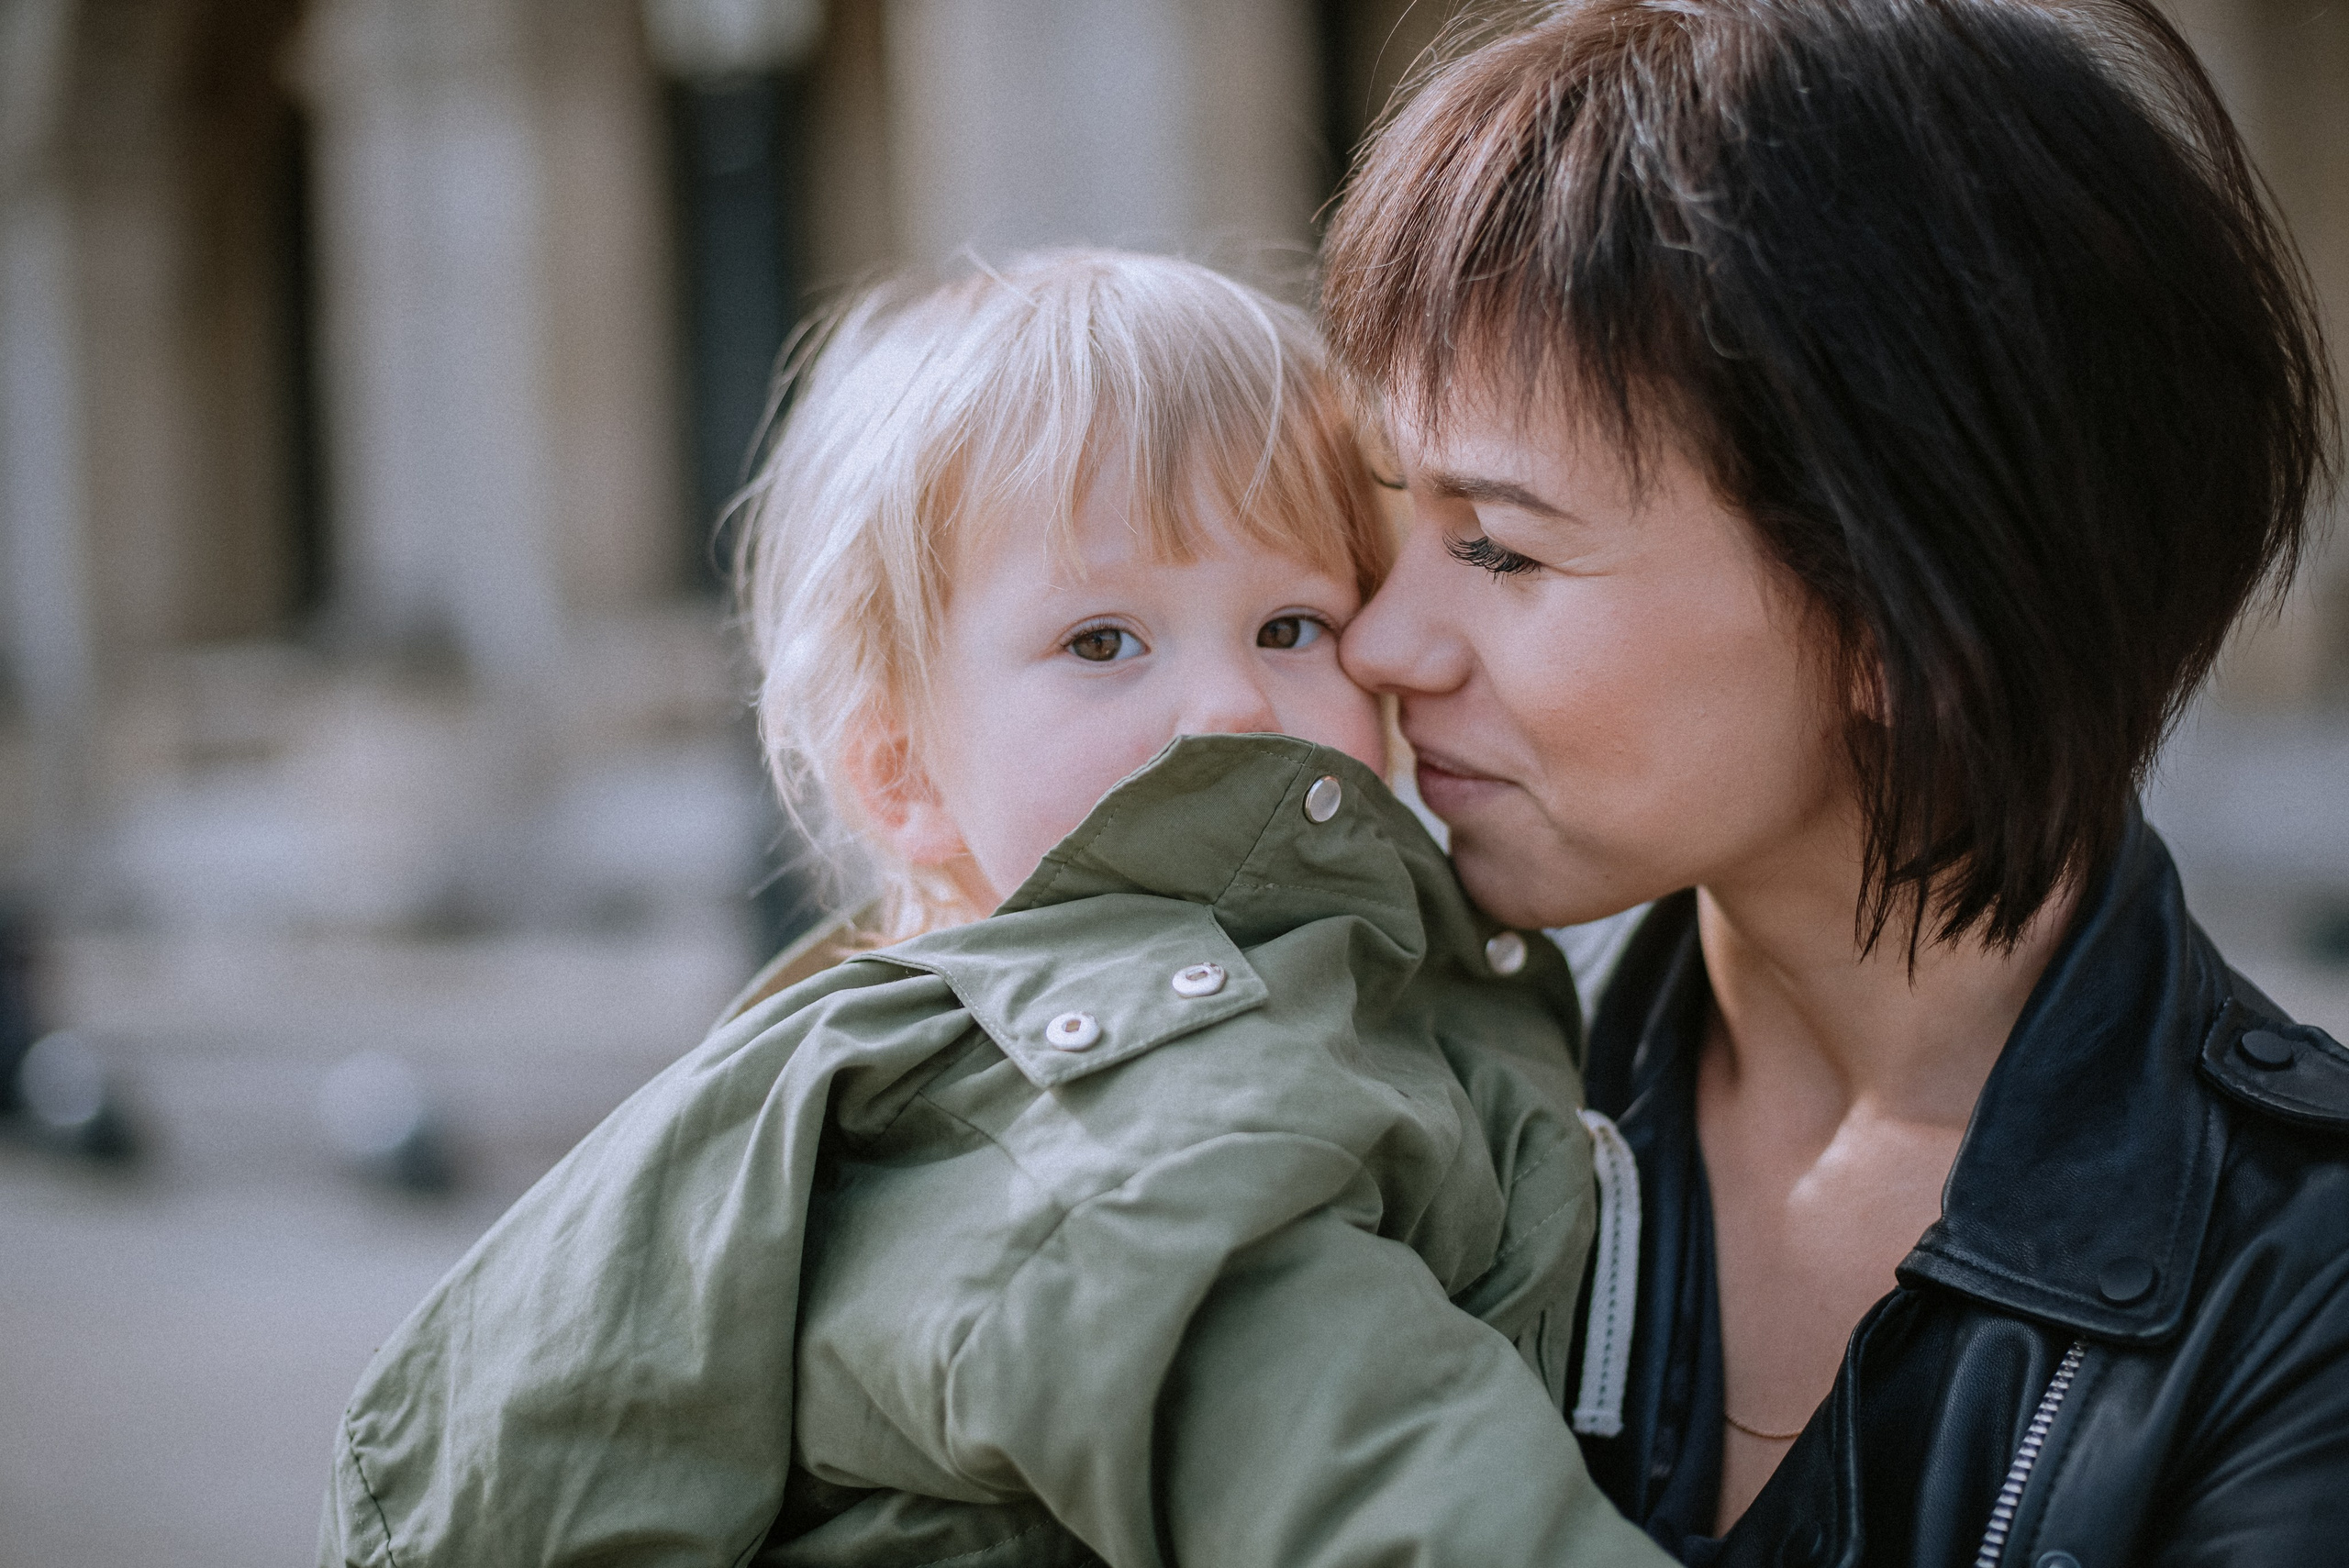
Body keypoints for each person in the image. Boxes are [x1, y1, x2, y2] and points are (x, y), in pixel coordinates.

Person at [318, 251, 1671, 1568]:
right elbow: (1371, 1464)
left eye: (1291, 625)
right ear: (902, 773)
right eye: (1103, 642)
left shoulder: (1269, 997)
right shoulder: (1089, 1107)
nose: (1232, 706)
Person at [1319, 1, 2345, 1563]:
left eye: (1500, 544)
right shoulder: (1403, 1114)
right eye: (1405, 514)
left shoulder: (2299, 1278)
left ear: (1900, 614)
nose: (1384, 640)